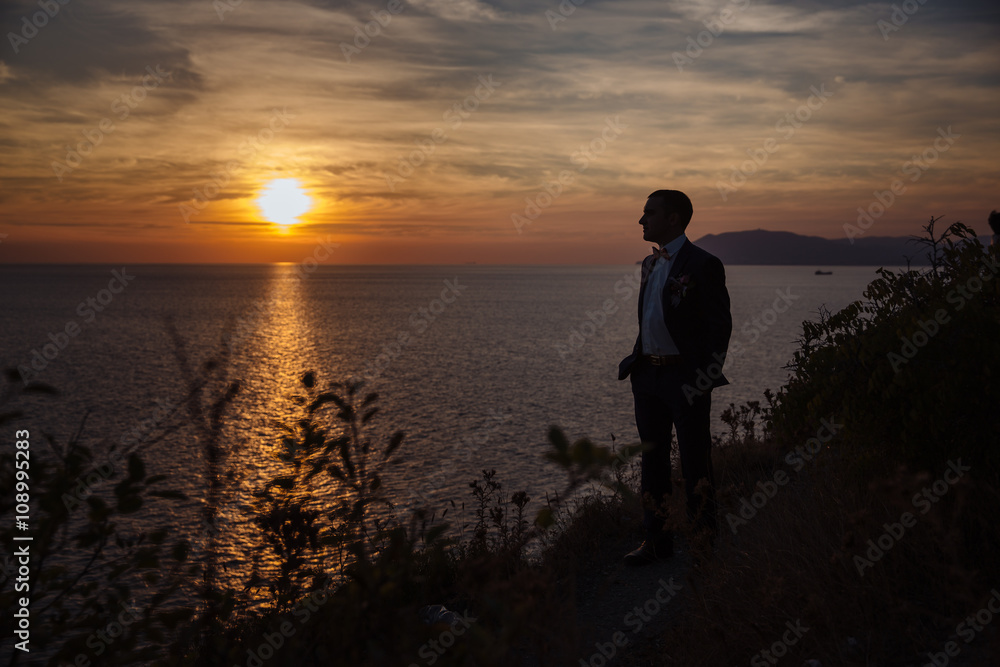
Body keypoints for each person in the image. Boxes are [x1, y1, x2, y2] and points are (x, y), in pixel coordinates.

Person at [618, 189, 732, 566]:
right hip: (647, 377)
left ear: (673, 218)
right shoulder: (649, 265)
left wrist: (704, 376)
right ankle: (657, 542)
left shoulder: (704, 264)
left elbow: (719, 328)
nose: (641, 220)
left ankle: (703, 543)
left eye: (649, 213)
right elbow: (651, 317)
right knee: (652, 462)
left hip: (686, 379)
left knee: (696, 462)